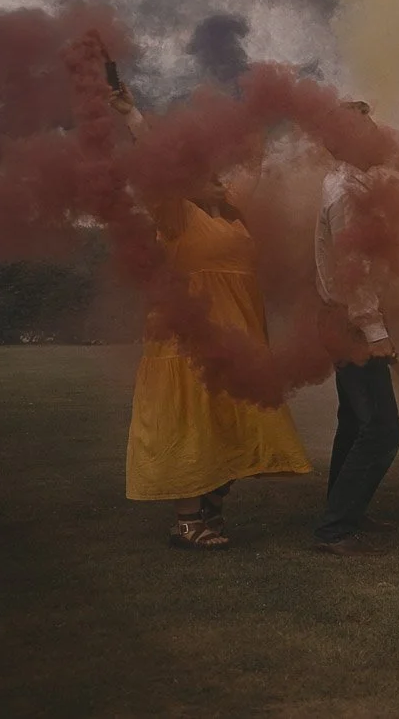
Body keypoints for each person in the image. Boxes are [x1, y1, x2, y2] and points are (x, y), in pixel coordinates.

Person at [111, 87, 312, 550]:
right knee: (192, 424)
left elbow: (254, 168)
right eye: (206, 174)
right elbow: (155, 166)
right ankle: (187, 522)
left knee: (232, 423)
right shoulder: (177, 218)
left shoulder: (234, 217)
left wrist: (259, 119)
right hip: (189, 342)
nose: (218, 177)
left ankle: (213, 510)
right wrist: (133, 117)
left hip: (238, 338)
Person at [312, 101, 399, 555]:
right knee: (382, 430)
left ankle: (346, 512)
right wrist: (375, 330)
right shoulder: (347, 191)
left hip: (343, 319)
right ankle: (336, 528)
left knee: (354, 423)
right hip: (351, 322)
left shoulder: (349, 183)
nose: (380, 135)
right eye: (368, 129)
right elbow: (354, 268)